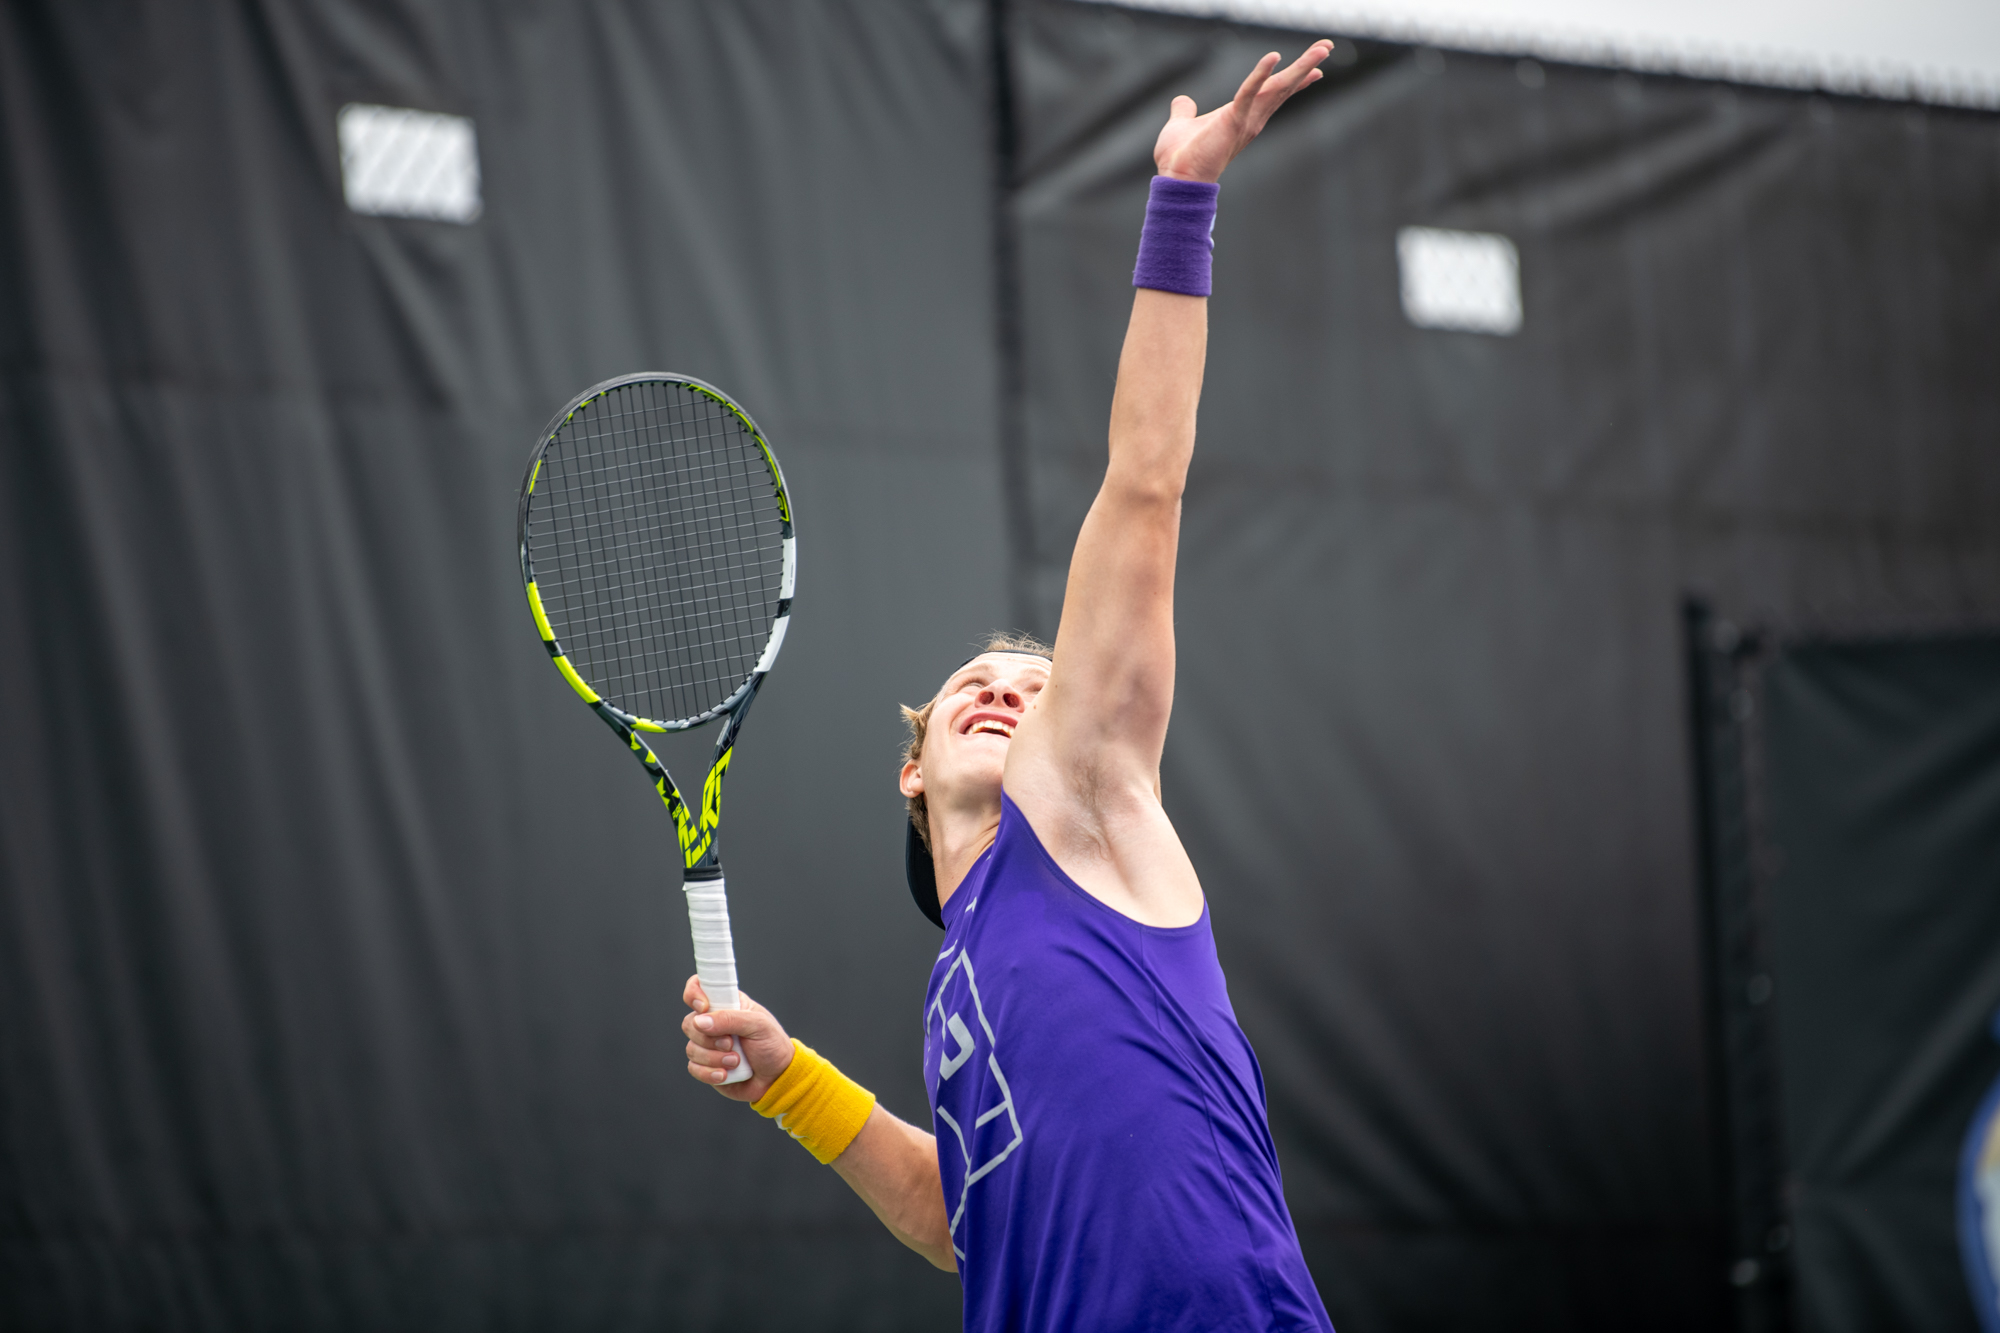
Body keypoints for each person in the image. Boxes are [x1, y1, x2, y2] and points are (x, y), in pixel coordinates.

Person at [682, 41, 1339, 1332]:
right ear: (911, 765)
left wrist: (1183, 205)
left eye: (1033, 683)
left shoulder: (1081, 806)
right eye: (970, 683)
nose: (1001, 689)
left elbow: (1143, 487)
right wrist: (784, 1078)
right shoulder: (960, 984)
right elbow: (950, 1216)